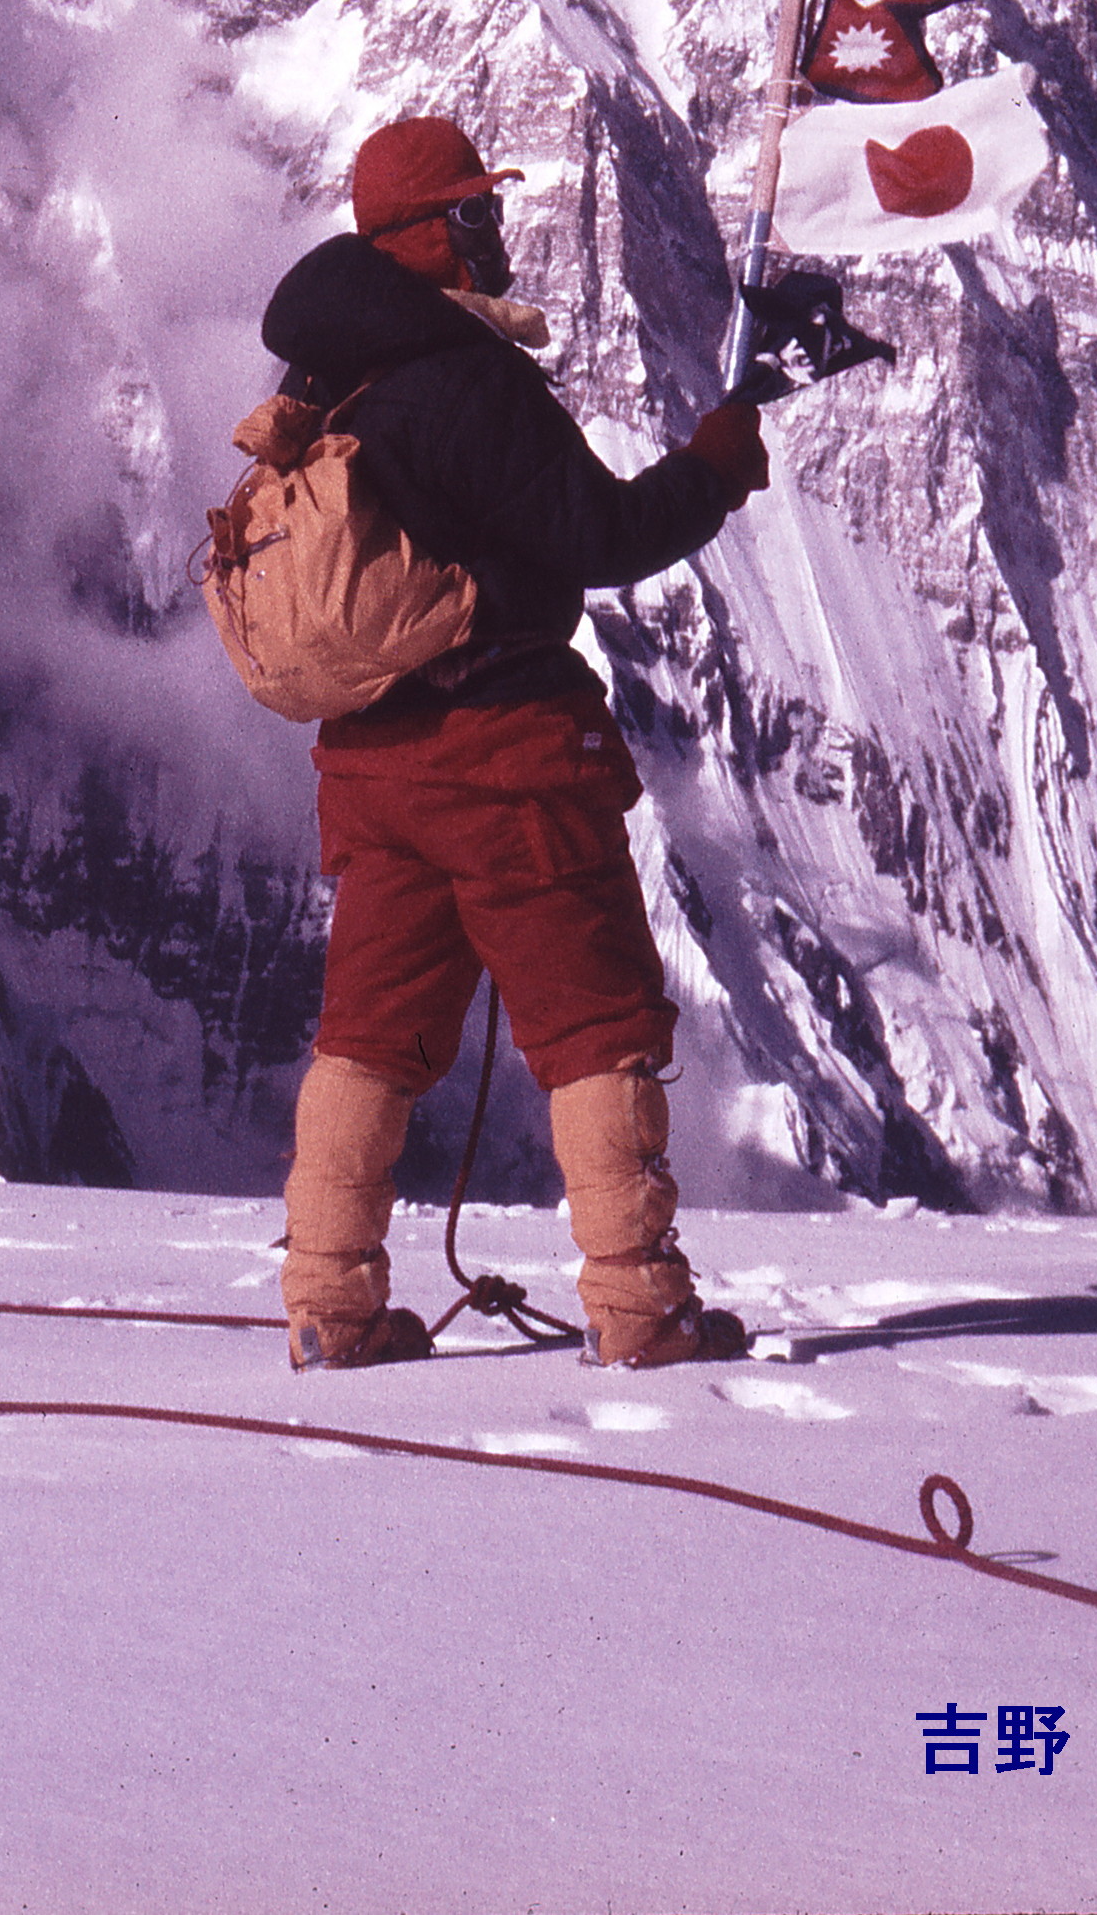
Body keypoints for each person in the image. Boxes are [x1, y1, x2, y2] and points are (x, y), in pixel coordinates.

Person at [262, 114, 769, 1372]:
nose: (496, 231)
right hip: (504, 758)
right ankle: (641, 1305)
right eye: (477, 210)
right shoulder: (465, 376)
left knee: (369, 1033)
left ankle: (327, 1302)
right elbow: (594, 534)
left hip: (373, 763)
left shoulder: (328, 378)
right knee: (595, 1023)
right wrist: (710, 466)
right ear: (427, 232)